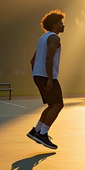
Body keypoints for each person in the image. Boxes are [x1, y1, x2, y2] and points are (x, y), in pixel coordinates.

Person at [27, 10, 66, 149]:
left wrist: (37, 75)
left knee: (51, 105)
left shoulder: (42, 38)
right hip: (46, 76)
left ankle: (36, 131)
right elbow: (49, 58)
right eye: (61, 23)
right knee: (58, 105)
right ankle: (43, 134)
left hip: (38, 75)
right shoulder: (54, 38)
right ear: (55, 25)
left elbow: (32, 61)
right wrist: (49, 79)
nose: (63, 25)